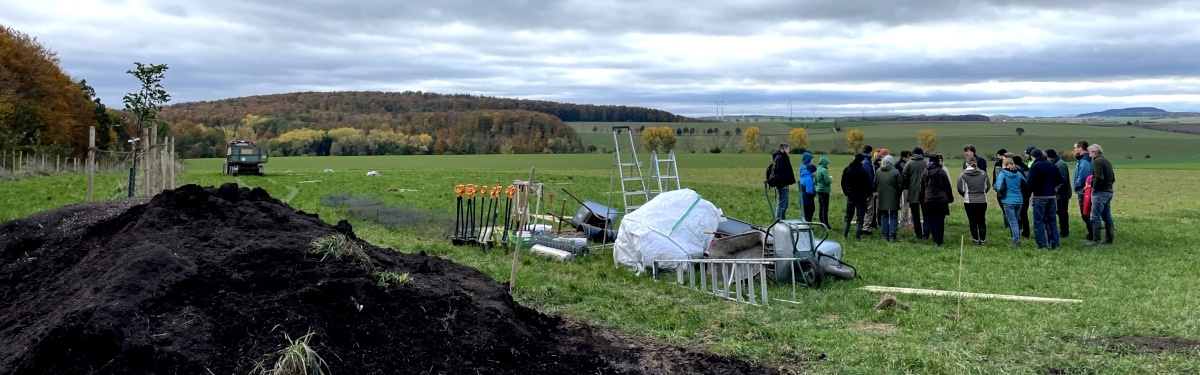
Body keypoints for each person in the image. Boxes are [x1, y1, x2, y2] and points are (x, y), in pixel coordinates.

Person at [1027, 148, 1063, 249]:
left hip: (1039, 196)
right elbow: (1060, 179)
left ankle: (1042, 245)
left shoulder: (1035, 166)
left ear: (1033, 157)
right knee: (1052, 220)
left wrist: (1031, 192)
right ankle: (1055, 244)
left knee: (1039, 221)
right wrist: (1051, 187)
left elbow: (1030, 182)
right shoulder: (1051, 165)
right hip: (1052, 196)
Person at [921, 153, 953, 246]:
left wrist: (922, 199)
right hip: (940, 199)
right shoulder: (941, 171)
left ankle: (934, 239)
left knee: (931, 219)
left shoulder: (924, 172)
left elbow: (922, 187)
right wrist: (950, 198)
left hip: (928, 199)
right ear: (938, 161)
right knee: (939, 219)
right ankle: (939, 240)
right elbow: (947, 186)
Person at [1086, 144, 1116, 246]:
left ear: (1094, 152)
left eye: (1090, 152)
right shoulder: (1107, 161)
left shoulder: (1097, 161)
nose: (1089, 155)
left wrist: (1093, 185)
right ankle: (1109, 239)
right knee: (1107, 216)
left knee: (1095, 216)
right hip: (1108, 190)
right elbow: (1113, 178)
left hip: (1100, 192)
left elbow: (1099, 177)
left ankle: (1096, 240)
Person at [957, 157, 991, 245]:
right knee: (982, 221)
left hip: (969, 201)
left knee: (972, 221)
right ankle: (983, 240)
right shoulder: (983, 174)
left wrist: (966, 195)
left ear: (966, 164)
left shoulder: (963, 175)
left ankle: (975, 240)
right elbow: (987, 187)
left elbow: (960, 189)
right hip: (982, 200)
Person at [995, 157, 1026, 246]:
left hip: (1008, 200)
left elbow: (999, 187)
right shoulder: (1019, 174)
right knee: (1015, 220)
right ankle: (1015, 237)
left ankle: (1016, 240)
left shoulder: (1003, 174)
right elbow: (1025, 185)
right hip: (1019, 200)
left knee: (1012, 221)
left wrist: (1001, 196)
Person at [841, 153, 872, 239]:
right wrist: (866, 195)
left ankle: (844, 235)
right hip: (861, 197)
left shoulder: (847, 170)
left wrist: (846, 192)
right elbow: (867, 185)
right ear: (862, 161)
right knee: (860, 216)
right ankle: (857, 237)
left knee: (848, 215)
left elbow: (843, 183)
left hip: (850, 195)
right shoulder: (863, 172)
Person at [902, 146, 928, 240]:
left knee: (915, 215)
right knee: (926, 214)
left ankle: (918, 235)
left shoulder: (909, 163)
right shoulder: (926, 163)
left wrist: (909, 183)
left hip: (913, 192)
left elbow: (904, 175)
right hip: (925, 192)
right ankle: (926, 233)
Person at [875, 155, 903, 242]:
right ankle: (892, 236)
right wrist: (898, 193)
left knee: (884, 216)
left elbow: (875, 182)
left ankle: (884, 236)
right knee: (894, 216)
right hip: (894, 196)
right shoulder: (895, 172)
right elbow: (900, 185)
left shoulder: (878, 171)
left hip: (882, 196)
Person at [1047, 148, 1072, 238]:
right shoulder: (1055, 163)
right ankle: (1062, 231)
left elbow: (1063, 181)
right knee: (1059, 213)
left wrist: (1055, 191)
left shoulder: (1060, 164)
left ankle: (1064, 232)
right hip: (1058, 194)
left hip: (1062, 194)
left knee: (1062, 214)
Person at [767, 143, 796, 220]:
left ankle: (783, 220)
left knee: (784, 205)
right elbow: (781, 173)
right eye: (788, 149)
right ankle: (778, 222)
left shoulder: (781, 158)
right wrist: (786, 182)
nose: (789, 150)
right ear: (784, 149)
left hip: (783, 184)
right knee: (781, 205)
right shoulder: (781, 158)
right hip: (782, 185)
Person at [1072, 141, 1094, 242]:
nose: (1074, 149)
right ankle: (1092, 233)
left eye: (1075, 147)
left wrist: (1077, 184)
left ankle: (1092, 235)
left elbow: (1083, 175)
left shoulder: (1084, 160)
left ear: (1080, 148)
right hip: (1086, 189)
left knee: (1085, 213)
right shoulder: (1085, 159)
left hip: (1083, 190)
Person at [1011, 154, 1031, 238]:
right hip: (1027, 193)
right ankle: (1026, 232)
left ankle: (1017, 231)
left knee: (1016, 214)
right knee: (1024, 214)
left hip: (1019, 194)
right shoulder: (1027, 168)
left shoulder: (1017, 171)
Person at [861, 145, 877, 233]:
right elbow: (869, 176)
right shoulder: (867, 162)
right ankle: (866, 227)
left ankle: (860, 224)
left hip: (858, 189)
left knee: (861, 207)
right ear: (870, 152)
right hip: (867, 189)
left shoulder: (858, 160)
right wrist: (873, 188)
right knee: (869, 208)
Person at [814, 156, 833, 228]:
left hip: (818, 189)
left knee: (821, 206)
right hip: (824, 190)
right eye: (827, 163)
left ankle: (821, 221)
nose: (828, 165)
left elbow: (815, 180)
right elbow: (827, 181)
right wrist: (831, 179)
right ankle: (826, 224)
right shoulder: (824, 170)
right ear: (824, 163)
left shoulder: (817, 169)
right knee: (825, 207)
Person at [799, 152, 817, 222]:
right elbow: (809, 191)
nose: (812, 161)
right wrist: (814, 193)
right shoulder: (804, 168)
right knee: (809, 213)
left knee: (805, 213)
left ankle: (805, 225)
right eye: (811, 159)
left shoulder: (803, 174)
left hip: (802, 197)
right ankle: (807, 226)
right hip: (807, 199)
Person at [993, 149, 1009, 229]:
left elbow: (995, 177)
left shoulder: (997, 165)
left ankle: (1007, 225)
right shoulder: (1011, 163)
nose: (998, 157)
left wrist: (995, 186)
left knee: (1004, 208)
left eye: (999, 155)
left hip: (1001, 189)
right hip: (1006, 189)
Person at [897, 150, 913, 228]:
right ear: (904, 157)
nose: (909, 159)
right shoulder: (900, 165)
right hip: (904, 188)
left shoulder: (899, 164)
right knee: (904, 205)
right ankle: (904, 221)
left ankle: (907, 220)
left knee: (906, 205)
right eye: (908, 157)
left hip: (906, 187)